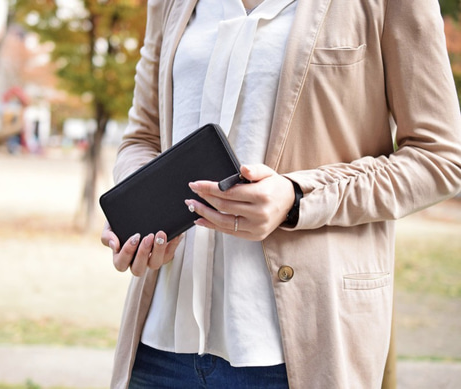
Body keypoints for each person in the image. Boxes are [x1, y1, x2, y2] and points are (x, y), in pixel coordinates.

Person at [101, 0, 461, 388]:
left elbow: (439, 157)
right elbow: (142, 137)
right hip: (159, 353)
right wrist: (142, 208)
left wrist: (297, 197)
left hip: (298, 352)